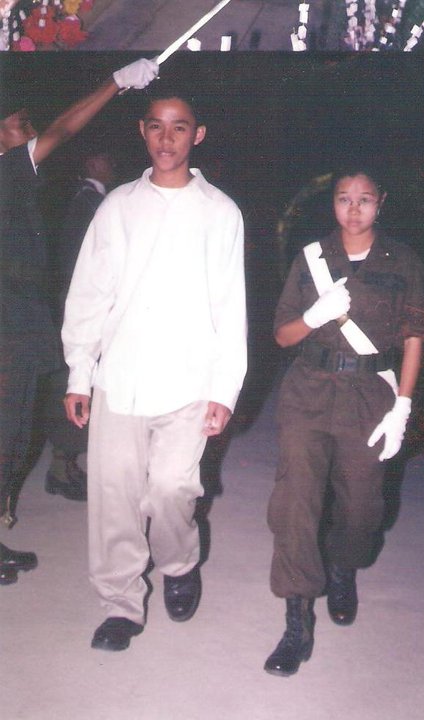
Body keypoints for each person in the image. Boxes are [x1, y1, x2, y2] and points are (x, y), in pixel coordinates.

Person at [62, 88, 247, 652]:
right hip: (120, 378)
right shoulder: (117, 206)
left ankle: (179, 562)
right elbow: (89, 293)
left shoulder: (220, 212)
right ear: (142, 131)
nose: (167, 138)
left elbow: (230, 307)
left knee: (171, 489)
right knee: (113, 497)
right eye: (157, 126)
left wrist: (225, 389)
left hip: (188, 381)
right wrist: (79, 372)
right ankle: (120, 604)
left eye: (180, 127)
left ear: (198, 135)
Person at [0, 56, 159, 586]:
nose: (30, 133)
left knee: (13, 436)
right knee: (5, 436)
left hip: (18, 328)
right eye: (20, 124)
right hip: (6, 331)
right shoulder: (6, 169)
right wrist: (115, 82)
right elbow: (65, 128)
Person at [264, 164, 424, 677]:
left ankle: (343, 568)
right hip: (308, 391)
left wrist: (403, 405)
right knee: (296, 502)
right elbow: (282, 336)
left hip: (370, 394)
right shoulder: (311, 257)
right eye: (343, 198)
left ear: (381, 202)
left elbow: (415, 337)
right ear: (332, 202)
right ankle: (296, 620)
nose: (353, 209)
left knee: (361, 506)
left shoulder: (403, 261)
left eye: (364, 199)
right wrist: (313, 317)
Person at [43, 147, 116, 502]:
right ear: (91, 162)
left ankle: (67, 464)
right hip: (80, 307)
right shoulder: (86, 202)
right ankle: (61, 468)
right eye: (105, 160)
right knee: (75, 383)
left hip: (82, 304)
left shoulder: (91, 200)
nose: (111, 165)